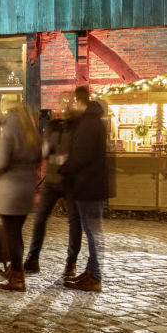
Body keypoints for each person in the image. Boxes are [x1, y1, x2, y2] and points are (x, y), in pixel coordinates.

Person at [58, 85, 110, 293]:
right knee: (91, 230)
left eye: (73, 103)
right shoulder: (91, 121)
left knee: (93, 232)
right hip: (90, 183)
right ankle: (91, 271)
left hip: (89, 184)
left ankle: (95, 276)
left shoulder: (89, 123)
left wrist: (65, 168)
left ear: (80, 102)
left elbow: (82, 155)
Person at [24, 99, 82, 280]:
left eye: (69, 103)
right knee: (40, 218)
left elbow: (78, 153)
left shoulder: (78, 127)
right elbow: (46, 148)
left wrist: (62, 158)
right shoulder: (54, 125)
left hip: (71, 180)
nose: (65, 107)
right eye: (63, 103)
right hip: (52, 179)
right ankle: (33, 258)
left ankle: (71, 262)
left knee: (74, 222)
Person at [0, 96, 41, 291]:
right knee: (16, 233)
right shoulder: (30, 130)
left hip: (10, 188)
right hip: (27, 187)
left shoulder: (7, 129)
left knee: (11, 235)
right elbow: (38, 156)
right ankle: (15, 270)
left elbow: (2, 159)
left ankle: (17, 277)